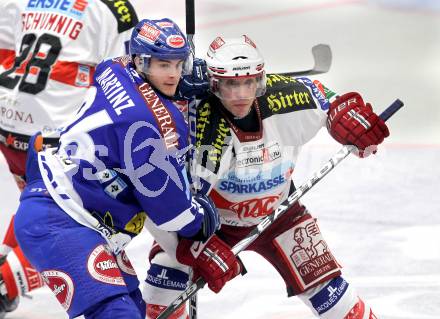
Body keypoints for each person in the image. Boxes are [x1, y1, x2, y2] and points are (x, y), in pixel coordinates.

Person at [142, 35, 390, 318]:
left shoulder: (285, 97)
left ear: (260, 79)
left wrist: (344, 115)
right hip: (206, 224)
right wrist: (195, 246)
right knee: (161, 291)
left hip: (279, 213)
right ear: (212, 84)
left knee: (335, 299)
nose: (241, 94)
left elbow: (328, 99)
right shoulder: (193, 120)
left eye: (249, 82)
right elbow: (155, 196)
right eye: (230, 84)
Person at [12, 18, 241, 319]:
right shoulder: (152, 125)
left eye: (178, 64)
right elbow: (170, 211)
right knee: (117, 314)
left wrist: (173, 83)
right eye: (163, 65)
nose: (173, 74)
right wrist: (200, 218)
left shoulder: (115, 69)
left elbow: (129, 77)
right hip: (64, 221)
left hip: (68, 205)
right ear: (141, 61)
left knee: (134, 309)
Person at [0, 0, 140, 315]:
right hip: (56, 133)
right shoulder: (115, 9)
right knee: (76, 216)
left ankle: (7, 261)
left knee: (38, 201)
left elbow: (4, 49)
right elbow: (127, 77)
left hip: (9, 124)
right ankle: (7, 279)